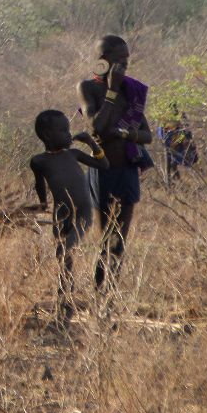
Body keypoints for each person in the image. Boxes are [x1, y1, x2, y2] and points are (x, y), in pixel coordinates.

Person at [78, 35, 152, 301]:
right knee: (105, 238)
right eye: (119, 59)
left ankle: (110, 298)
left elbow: (147, 135)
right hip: (102, 171)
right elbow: (96, 127)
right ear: (102, 60)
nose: (125, 64)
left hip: (127, 172)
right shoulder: (88, 88)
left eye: (127, 59)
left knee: (119, 240)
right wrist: (111, 91)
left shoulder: (130, 92)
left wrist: (123, 134)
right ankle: (99, 297)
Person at [29, 110, 109, 328]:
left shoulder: (73, 154)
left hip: (83, 213)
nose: (68, 134)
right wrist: (43, 202)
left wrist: (91, 143)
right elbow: (39, 184)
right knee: (64, 258)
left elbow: (104, 165)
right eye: (63, 130)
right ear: (47, 135)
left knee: (67, 250)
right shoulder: (38, 161)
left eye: (68, 130)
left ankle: (66, 304)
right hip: (61, 216)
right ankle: (65, 305)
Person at [158, 108, 199, 184]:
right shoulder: (165, 118)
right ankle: (171, 183)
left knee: (176, 163)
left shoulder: (181, 115)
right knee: (170, 164)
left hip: (180, 144)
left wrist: (178, 141)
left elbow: (186, 131)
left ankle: (179, 182)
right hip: (169, 143)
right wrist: (168, 142)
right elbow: (161, 132)